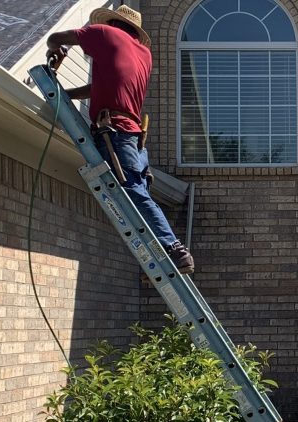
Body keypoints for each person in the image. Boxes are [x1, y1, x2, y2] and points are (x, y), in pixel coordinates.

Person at [46, 5, 194, 274]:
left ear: (113, 24)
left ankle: (174, 248)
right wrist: (65, 93)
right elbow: (99, 88)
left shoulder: (104, 33)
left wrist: (54, 53)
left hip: (115, 130)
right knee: (139, 191)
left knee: (132, 192)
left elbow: (55, 38)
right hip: (135, 135)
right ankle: (169, 247)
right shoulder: (143, 53)